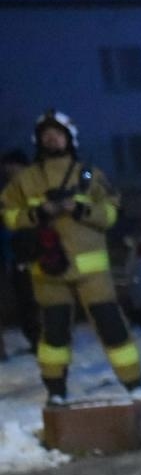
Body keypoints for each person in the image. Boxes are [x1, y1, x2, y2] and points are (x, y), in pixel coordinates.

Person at [0, 110, 141, 400]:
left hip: (93, 274)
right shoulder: (25, 181)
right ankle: (55, 389)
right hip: (49, 270)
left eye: (58, 134)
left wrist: (79, 209)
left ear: (70, 139)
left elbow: (112, 214)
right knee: (53, 334)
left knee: (111, 326)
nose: (52, 140)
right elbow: (9, 217)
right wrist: (40, 213)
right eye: (46, 135)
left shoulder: (89, 175)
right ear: (38, 140)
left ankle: (134, 384)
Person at [0, 147, 40, 356]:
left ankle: (41, 340)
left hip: (32, 254)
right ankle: (35, 339)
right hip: (15, 255)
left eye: (11, 167)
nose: (8, 171)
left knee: (36, 299)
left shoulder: (32, 188)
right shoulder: (8, 191)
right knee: (25, 301)